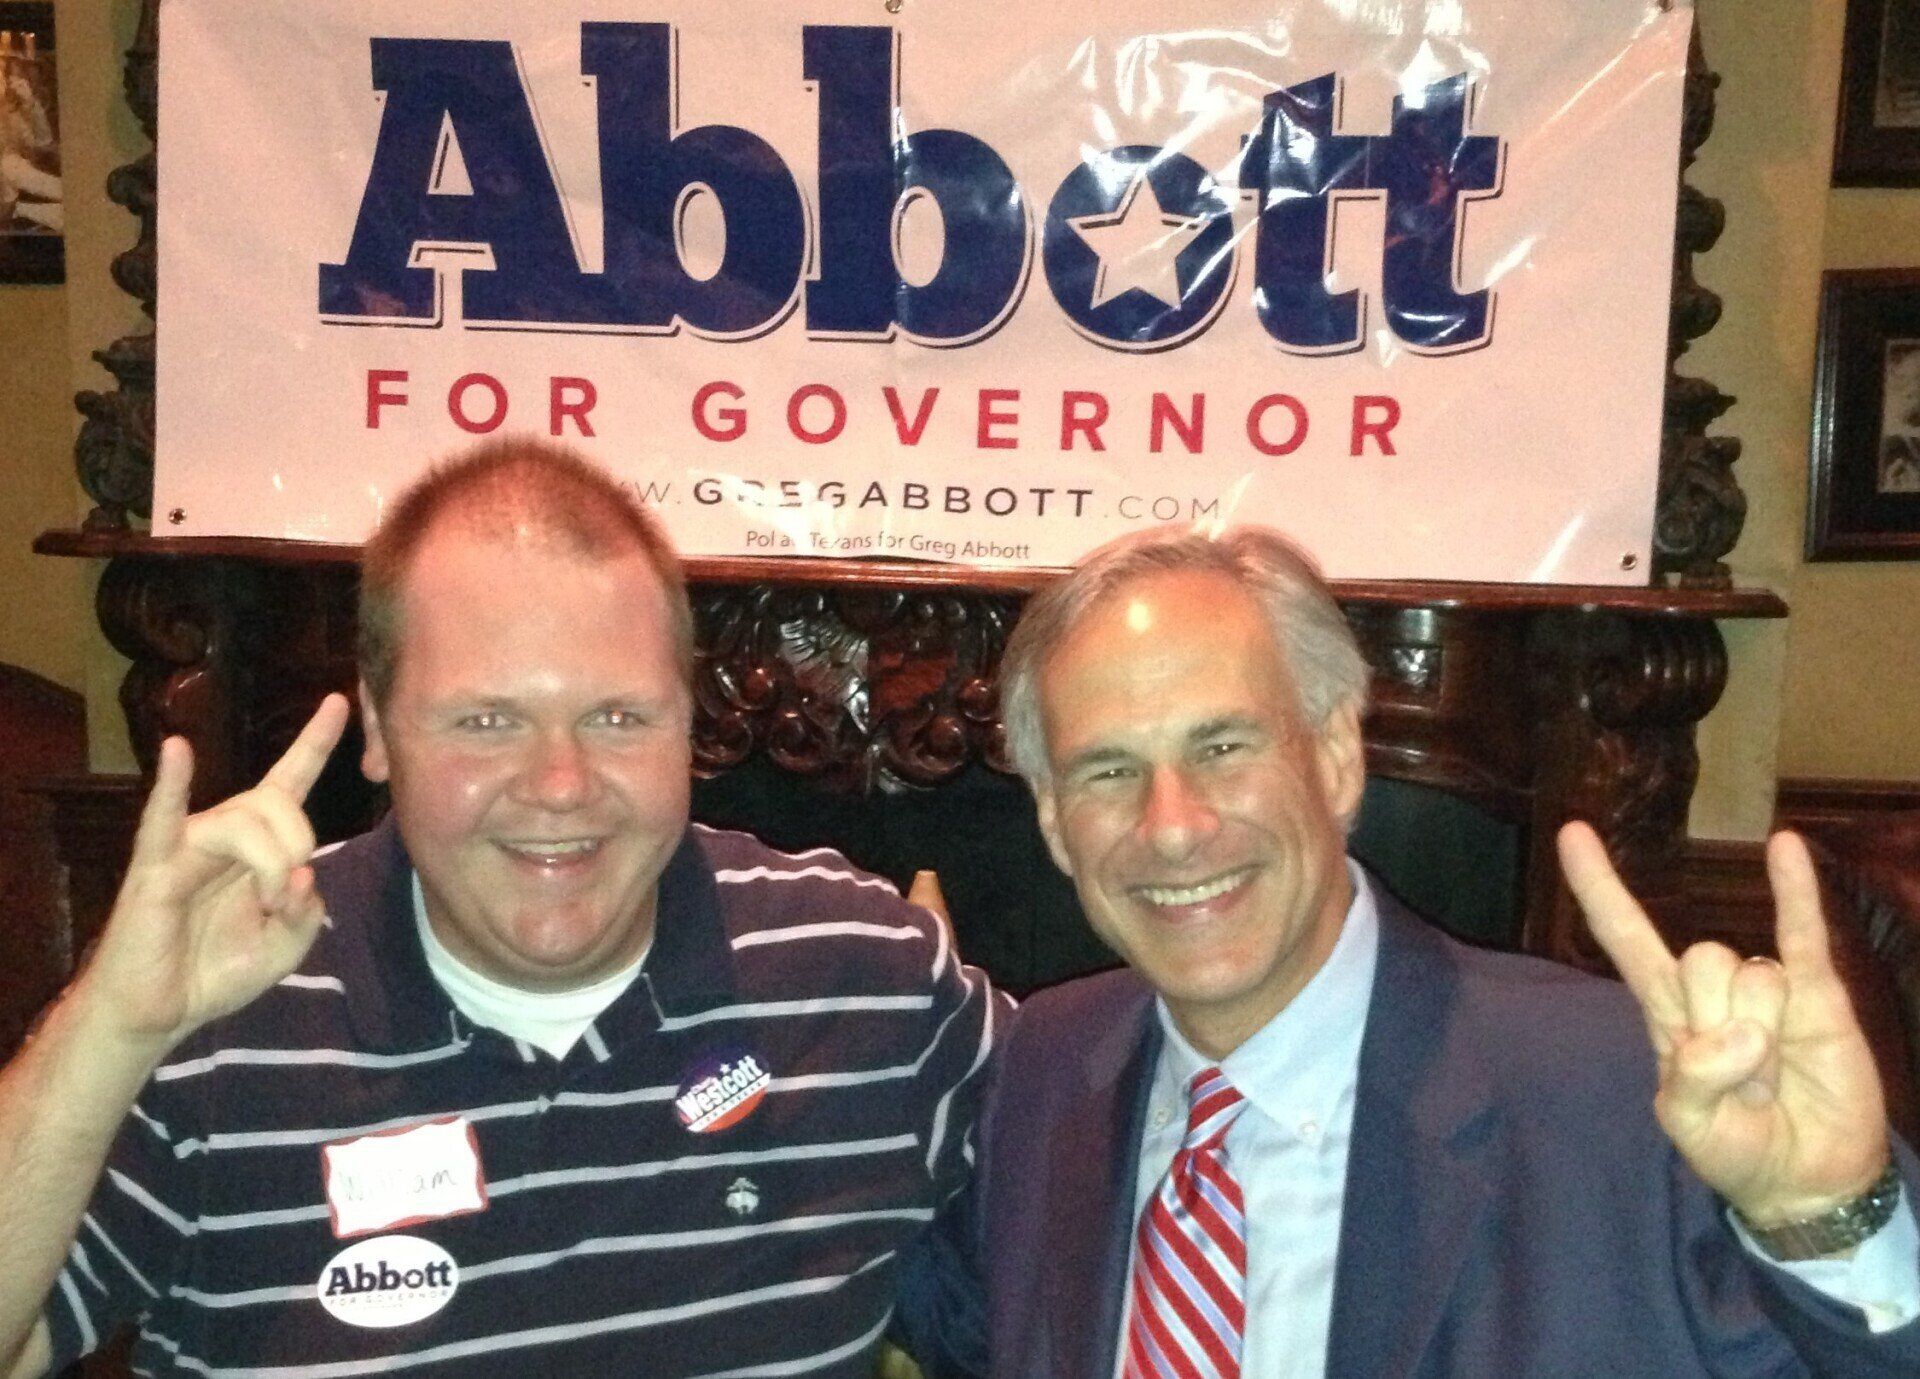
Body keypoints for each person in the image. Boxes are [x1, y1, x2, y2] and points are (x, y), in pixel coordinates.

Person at [0, 439, 1000, 1378]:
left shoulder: (867, 979)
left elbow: (1091, 1202)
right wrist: (110, 1025)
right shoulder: (214, 1005)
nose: (560, 784)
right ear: (379, 725)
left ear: (686, 721)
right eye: (487, 720)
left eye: (617, 716)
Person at [971, 523, 1920, 1377]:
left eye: (1223, 747)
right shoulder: (1043, 1067)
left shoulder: (1624, 1089)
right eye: (1108, 769)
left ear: (1337, 758)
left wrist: (1833, 1218)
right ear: (1054, 820)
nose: (1173, 826)